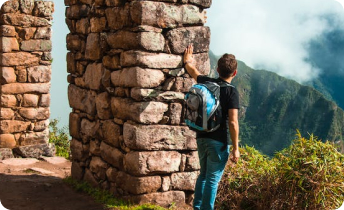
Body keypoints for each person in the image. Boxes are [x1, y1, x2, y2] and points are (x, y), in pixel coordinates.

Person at [183, 44, 240, 210]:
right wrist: (236, 148)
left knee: (204, 175)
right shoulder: (232, 92)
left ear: (217, 69)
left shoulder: (207, 82)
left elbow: (193, 71)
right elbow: (233, 122)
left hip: (202, 136)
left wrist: (187, 61)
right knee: (213, 179)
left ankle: (197, 207)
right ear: (234, 73)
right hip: (219, 141)